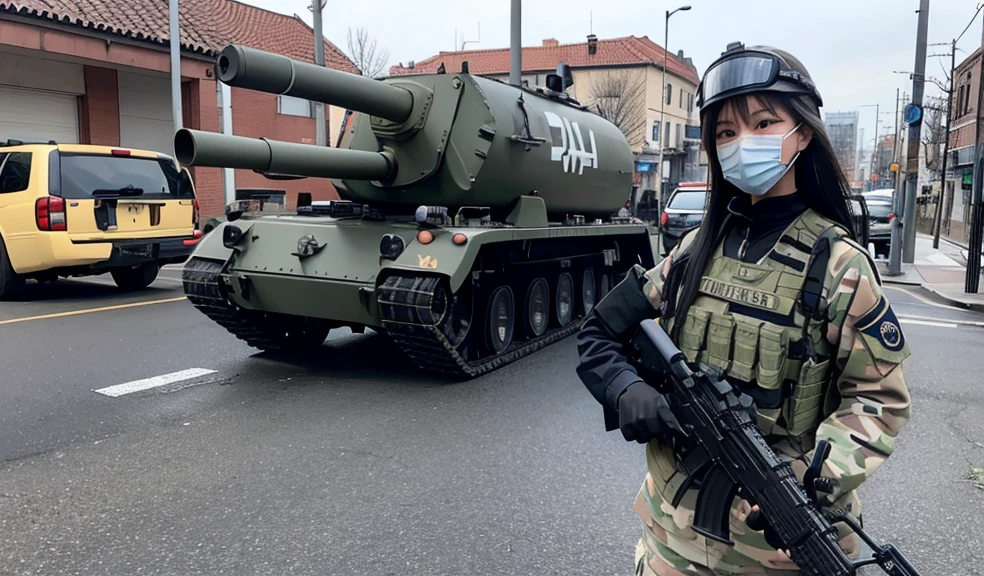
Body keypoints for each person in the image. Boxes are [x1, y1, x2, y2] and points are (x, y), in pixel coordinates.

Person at [576, 42, 912, 576]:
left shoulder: (838, 264)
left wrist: (813, 481)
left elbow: (878, 401)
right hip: (672, 530)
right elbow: (600, 333)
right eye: (726, 133)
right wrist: (626, 389)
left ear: (802, 133)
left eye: (762, 123)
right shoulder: (695, 250)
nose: (741, 143)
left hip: (780, 546)